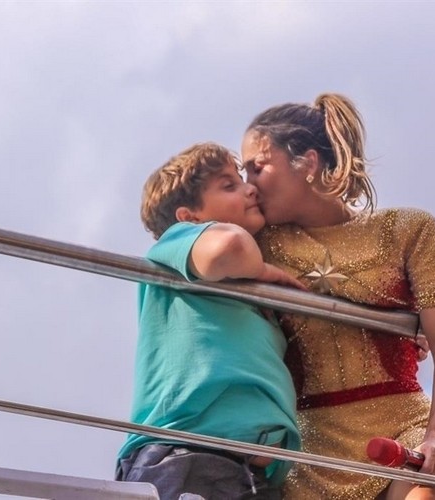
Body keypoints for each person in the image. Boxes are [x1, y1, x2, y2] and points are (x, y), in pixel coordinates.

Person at [240, 94, 435, 500]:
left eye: (257, 168)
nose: (249, 186)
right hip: (307, 456)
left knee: (432, 487)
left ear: (307, 163)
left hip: (403, 431)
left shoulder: (410, 229)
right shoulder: (251, 244)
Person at [116, 143, 304, 500]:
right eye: (229, 185)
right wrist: (265, 271)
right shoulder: (176, 243)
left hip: (250, 476)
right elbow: (228, 247)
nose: (250, 189)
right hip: (183, 457)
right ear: (190, 217)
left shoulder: (247, 294)